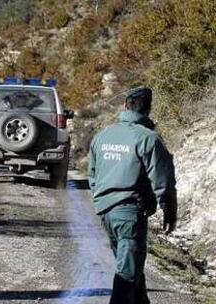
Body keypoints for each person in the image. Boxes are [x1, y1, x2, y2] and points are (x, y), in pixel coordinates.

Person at [88, 87, 178, 304]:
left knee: (132, 269)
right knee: (127, 276)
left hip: (106, 213)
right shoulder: (149, 139)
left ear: (125, 106)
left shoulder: (102, 136)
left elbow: (92, 176)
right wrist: (170, 213)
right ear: (148, 109)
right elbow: (163, 182)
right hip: (130, 214)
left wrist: (102, 200)